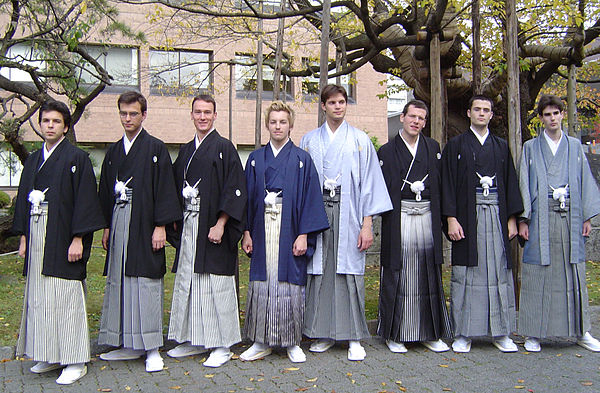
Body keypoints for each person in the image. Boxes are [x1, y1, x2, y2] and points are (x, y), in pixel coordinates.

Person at [12, 100, 105, 384]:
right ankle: (49, 353)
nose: (50, 125)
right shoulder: (33, 160)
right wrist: (25, 237)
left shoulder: (77, 158)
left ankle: (75, 358)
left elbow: (86, 201)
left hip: (64, 233)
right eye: (45, 121)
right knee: (40, 297)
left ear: (66, 126)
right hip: (38, 231)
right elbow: (23, 200)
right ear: (40, 125)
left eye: (55, 121)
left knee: (65, 296)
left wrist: (78, 238)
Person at [300, 84, 393, 361]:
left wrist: (367, 225)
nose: (337, 106)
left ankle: (353, 336)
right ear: (323, 106)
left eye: (342, 102)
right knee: (320, 272)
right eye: (332, 103)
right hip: (317, 213)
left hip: (350, 212)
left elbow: (370, 185)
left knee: (349, 273)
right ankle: (322, 333)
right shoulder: (309, 140)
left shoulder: (360, 140)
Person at [97, 91, 181, 372]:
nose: (128, 118)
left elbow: (165, 190)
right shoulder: (112, 151)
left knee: (145, 280)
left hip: (146, 222)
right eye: (124, 113)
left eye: (134, 113)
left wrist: (160, 226)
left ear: (144, 115)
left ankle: (151, 347)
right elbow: (105, 190)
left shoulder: (156, 148)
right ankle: (125, 342)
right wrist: (108, 226)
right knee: (120, 279)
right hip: (119, 219)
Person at [240, 101, 329, 363]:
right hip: (261, 226)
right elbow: (246, 199)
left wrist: (304, 234)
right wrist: (246, 232)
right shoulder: (256, 159)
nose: (278, 126)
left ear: (291, 125)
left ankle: (292, 341)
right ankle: (260, 341)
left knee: (289, 282)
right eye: (273, 122)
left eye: (283, 122)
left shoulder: (302, 159)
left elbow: (312, 198)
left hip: (290, 227)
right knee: (262, 281)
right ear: (267, 125)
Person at [166, 95, 246, 367]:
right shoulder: (187, 149)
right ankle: (193, 339)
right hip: (191, 223)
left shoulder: (225, 148)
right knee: (190, 281)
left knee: (216, 285)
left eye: (207, 112)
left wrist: (222, 223)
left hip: (213, 227)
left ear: (215, 115)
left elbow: (234, 189)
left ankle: (222, 344)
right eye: (198, 112)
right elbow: (174, 186)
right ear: (191, 115)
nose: (202, 117)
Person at [517, 94, 600, 352]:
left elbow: (584, 179)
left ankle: (580, 330)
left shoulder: (575, 146)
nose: (552, 118)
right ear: (540, 118)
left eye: (556, 113)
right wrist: (523, 219)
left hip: (570, 216)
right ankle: (533, 333)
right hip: (540, 217)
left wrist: (586, 216)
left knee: (572, 271)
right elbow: (524, 182)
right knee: (536, 272)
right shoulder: (531, 147)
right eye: (547, 114)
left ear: (563, 114)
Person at [441, 95, 523, 353]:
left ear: (491, 115)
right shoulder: (455, 145)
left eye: (486, 110)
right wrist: (451, 218)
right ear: (468, 113)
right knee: (466, 274)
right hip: (467, 215)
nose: (481, 113)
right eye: (477, 109)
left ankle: (501, 333)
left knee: (499, 272)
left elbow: (510, 182)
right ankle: (464, 332)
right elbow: (447, 184)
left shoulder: (500, 146)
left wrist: (512, 218)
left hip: (497, 214)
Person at [377, 100, 452, 353]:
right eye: (412, 116)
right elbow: (381, 190)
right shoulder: (387, 151)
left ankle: (430, 333)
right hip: (399, 219)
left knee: (428, 273)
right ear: (402, 117)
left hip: (427, 216)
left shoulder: (432, 148)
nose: (416, 122)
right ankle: (394, 333)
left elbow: (442, 186)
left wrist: (447, 217)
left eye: (421, 118)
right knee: (397, 274)